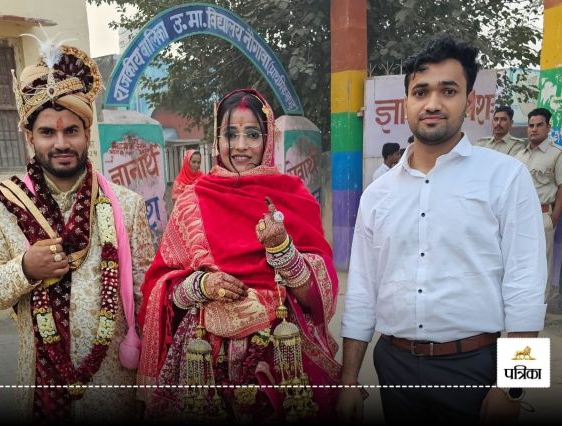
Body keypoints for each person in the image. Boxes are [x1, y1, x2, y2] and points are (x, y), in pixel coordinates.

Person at [338, 36, 546, 424]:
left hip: (475, 369)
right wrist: (348, 379)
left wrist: (515, 388)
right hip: (394, 365)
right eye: (421, 91)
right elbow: (363, 291)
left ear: (467, 98)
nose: (433, 103)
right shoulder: (378, 193)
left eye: (448, 90)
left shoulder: (505, 177)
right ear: (407, 103)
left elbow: (527, 288)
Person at [0, 38, 154, 423]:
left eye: (71, 130)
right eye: (47, 133)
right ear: (29, 137)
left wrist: (149, 383)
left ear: (87, 133)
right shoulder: (4, 204)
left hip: (113, 385)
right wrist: (24, 269)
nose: (61, 143)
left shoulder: (126, 204)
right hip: (39, 384)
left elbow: (147, 298)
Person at [137, 88, 340, 423]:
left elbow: (317, 298)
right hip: (202, 358)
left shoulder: (294, 197)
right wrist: (201, 285)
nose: (242, 146)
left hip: (281, 354)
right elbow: (161, 288)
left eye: (252, 134)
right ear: (218, 140)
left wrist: (282, 250)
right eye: (231, 134)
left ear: (268, 138)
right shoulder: (192, 201)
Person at [512, 107, 562, 305]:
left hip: (542, 217)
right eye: (531, 125)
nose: (534, 129)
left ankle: (536, 312)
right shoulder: (519, 155)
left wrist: (553, 218)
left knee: (541, 266)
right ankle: (519, 305)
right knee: (518, 262)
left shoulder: (557, 154)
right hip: (518, 217)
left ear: (548, 127)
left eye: (539, 125)